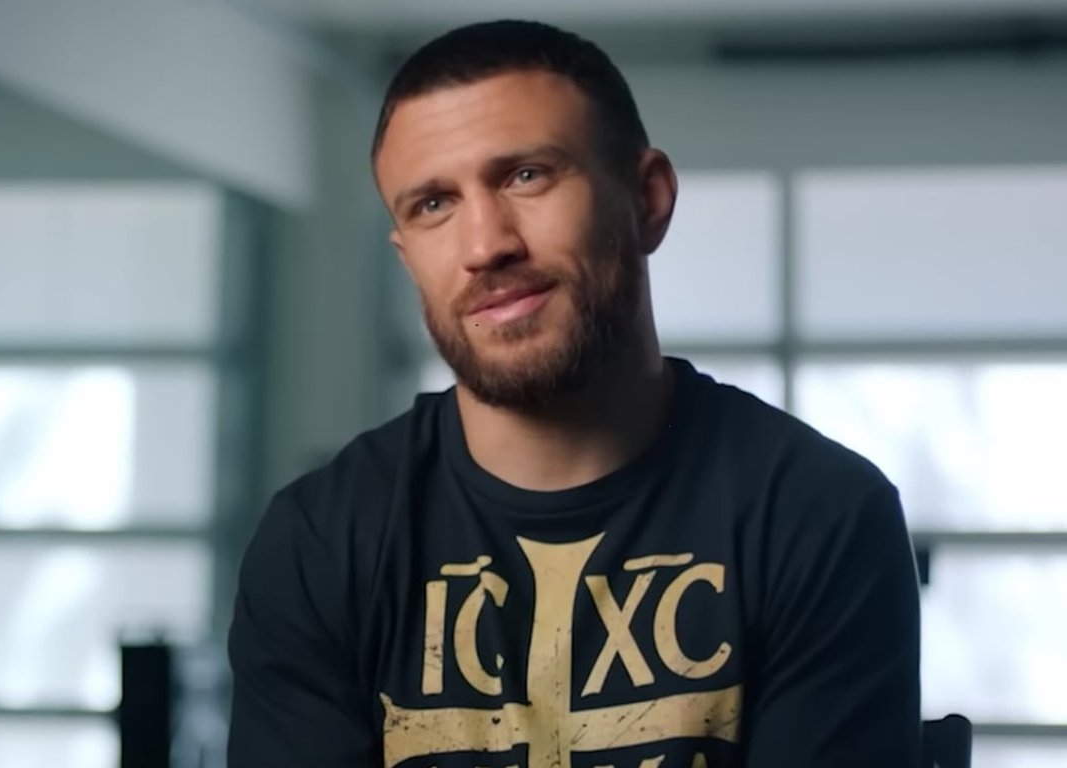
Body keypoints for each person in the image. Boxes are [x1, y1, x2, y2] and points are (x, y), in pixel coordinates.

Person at [227, 19, 922, 768]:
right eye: (433, 205)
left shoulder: (819, 514)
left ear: (647, 199)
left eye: (526, 175)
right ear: (407, 255)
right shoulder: (321, 541)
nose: (485, 244)